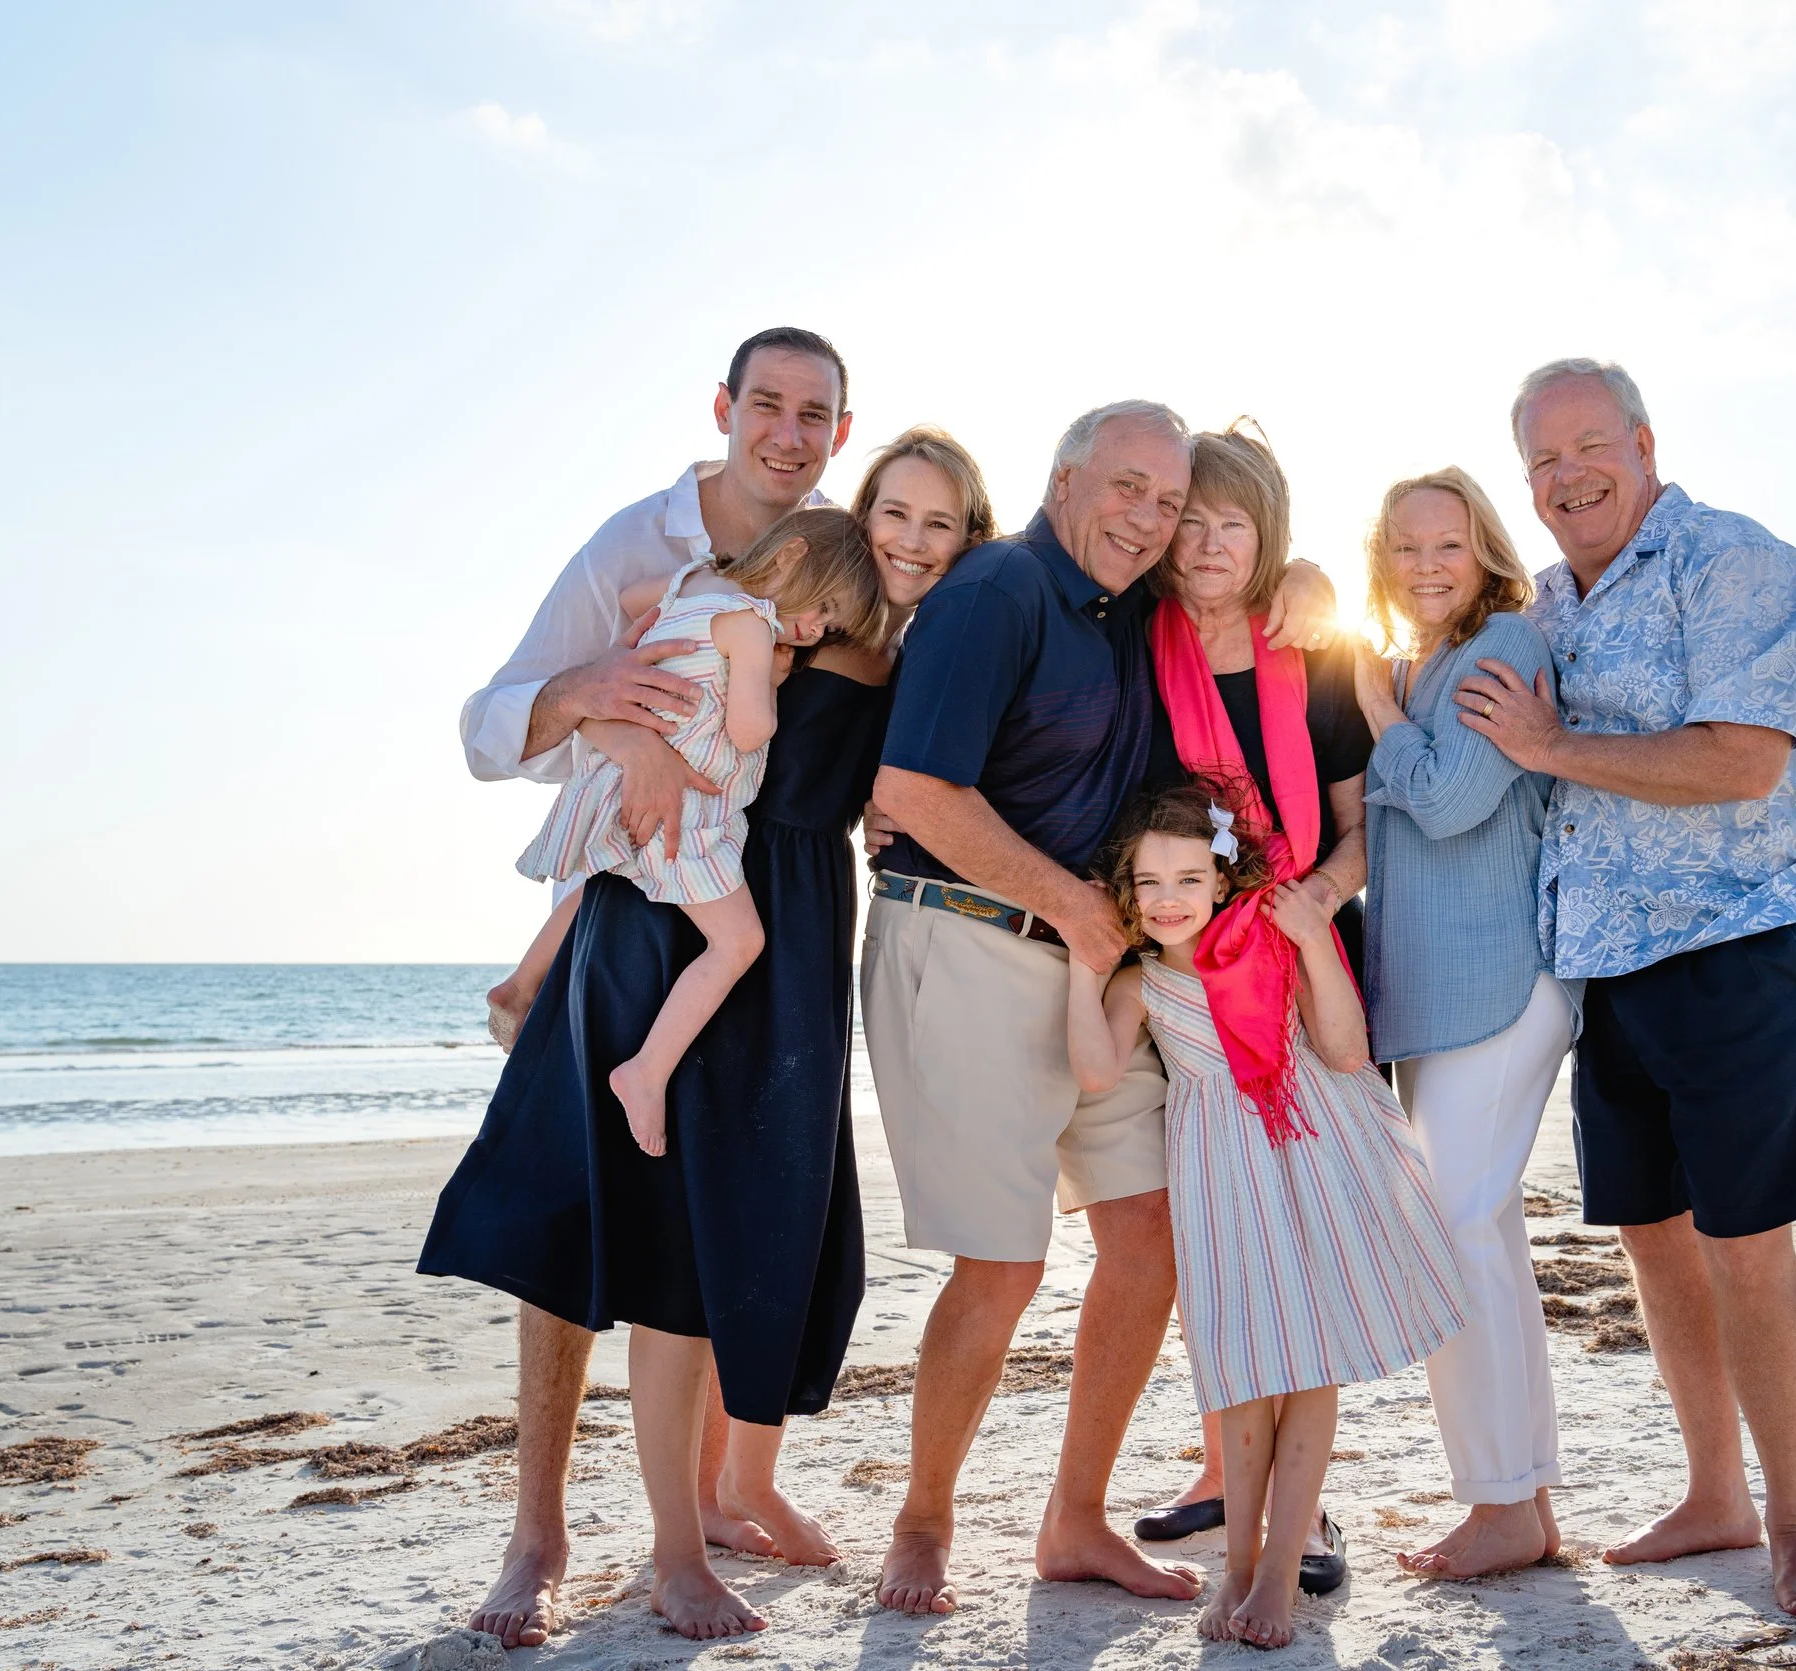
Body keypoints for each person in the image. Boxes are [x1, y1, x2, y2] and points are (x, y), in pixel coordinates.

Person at [421, 326, 863, 1647]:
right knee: (569, 1228)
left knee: (710, 1232)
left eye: (815, 413)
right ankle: (538, 1534)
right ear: (723, 407)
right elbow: (489, 723)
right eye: (767, 404)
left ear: (841, 431)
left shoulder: (841, 556)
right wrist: (592, 699)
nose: (788, 432)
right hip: (633, 911)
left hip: (763, 926)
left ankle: (706, 1512)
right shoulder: (636, 544)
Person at [861, 399, 1339, 1616]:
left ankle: (1074, 1521)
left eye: (1167, 501)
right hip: (968, 940)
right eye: (1127, 487)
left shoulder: (1134, 612)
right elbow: (912, 788)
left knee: (1153, 1234)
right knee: (1002, 1264)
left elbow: (1254, 596)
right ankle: (923, 1522)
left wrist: (1312, 582)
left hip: (1101, 966)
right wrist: (1075, 907)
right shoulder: (998, 591)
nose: (1149, 518)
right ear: (1065, 478)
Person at [1454, 357, 1796, 1619]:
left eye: (1589, 447)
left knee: (1745, 1245)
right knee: (1655, 1238)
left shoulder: (1733, 562)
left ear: (1642, 443)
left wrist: (1549, 745)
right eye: (1542, 461)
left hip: (1740, 944)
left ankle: (1795, 1522)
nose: (1567, 476)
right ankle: (1712, 1498)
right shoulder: (1546, 604)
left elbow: (1742, 763)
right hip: (1607, 962)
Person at [1066, 785, 1467, 1648]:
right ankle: (1239, 1568)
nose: (1168, 898)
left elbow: (1346, 1049)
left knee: (1310, 1363)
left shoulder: (1271, 943)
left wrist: (1316, 934)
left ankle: (1280, 1574)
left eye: (1188, 878)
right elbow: (1096, 1071)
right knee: (1241, 1368)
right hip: (1220, 1174)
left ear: (1221, 881)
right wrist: (1080, 967)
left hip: (1314, 1150)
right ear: (1128, 891)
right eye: (1149, 882)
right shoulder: (1141, 981)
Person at [1130, 424, 1370, 1594]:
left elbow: (1361, 826)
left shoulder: (1313, 650)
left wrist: (1318, 899)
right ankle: (1224, 1472)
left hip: (1305, 953)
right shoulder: (1138, 643)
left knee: (1307, 1235)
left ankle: (1304, 1514)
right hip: (1187, 971)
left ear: (1267, 535)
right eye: (1191, 521)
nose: (1209, 544)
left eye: (1235, 524)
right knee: (1223, 1235)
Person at [1349, 467, 1577, 1579]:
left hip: (1499, 982)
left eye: (1446, 544)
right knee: (1482, 1234)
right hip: (1436, 999)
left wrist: (1383, 718)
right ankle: (1521, 1500)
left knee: (1455, 1231)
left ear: (1482, 545)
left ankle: (1499, 1505)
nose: (1426, 565)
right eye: (1405, 547)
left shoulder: (1504, 649)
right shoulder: (1423, 662)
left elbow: (1445, 803)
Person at [512, 508, 887, 1152]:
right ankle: (645, 1072)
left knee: (601, 877)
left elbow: (633, 602)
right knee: (738, 943)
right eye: (823, 607)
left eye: (830, 626)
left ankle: (520, 983)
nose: (815, 629)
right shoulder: (752, 625)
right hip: (684, 811)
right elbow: (751, 731)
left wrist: (637, 646)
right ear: (790, 556)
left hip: (613, 779)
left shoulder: (692, 579)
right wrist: (771, 677)